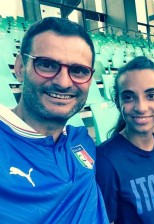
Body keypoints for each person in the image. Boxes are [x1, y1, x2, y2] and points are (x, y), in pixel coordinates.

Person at [0, 17, 108, 223]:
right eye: (47, 65)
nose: (64, 82)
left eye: (78, 71)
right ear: (20, 67)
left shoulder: (81, 138)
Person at [95, 56, 154, 224]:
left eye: (151, 95)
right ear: (118, 102)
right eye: (129, 97)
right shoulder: (106, 161)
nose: (141, 107)